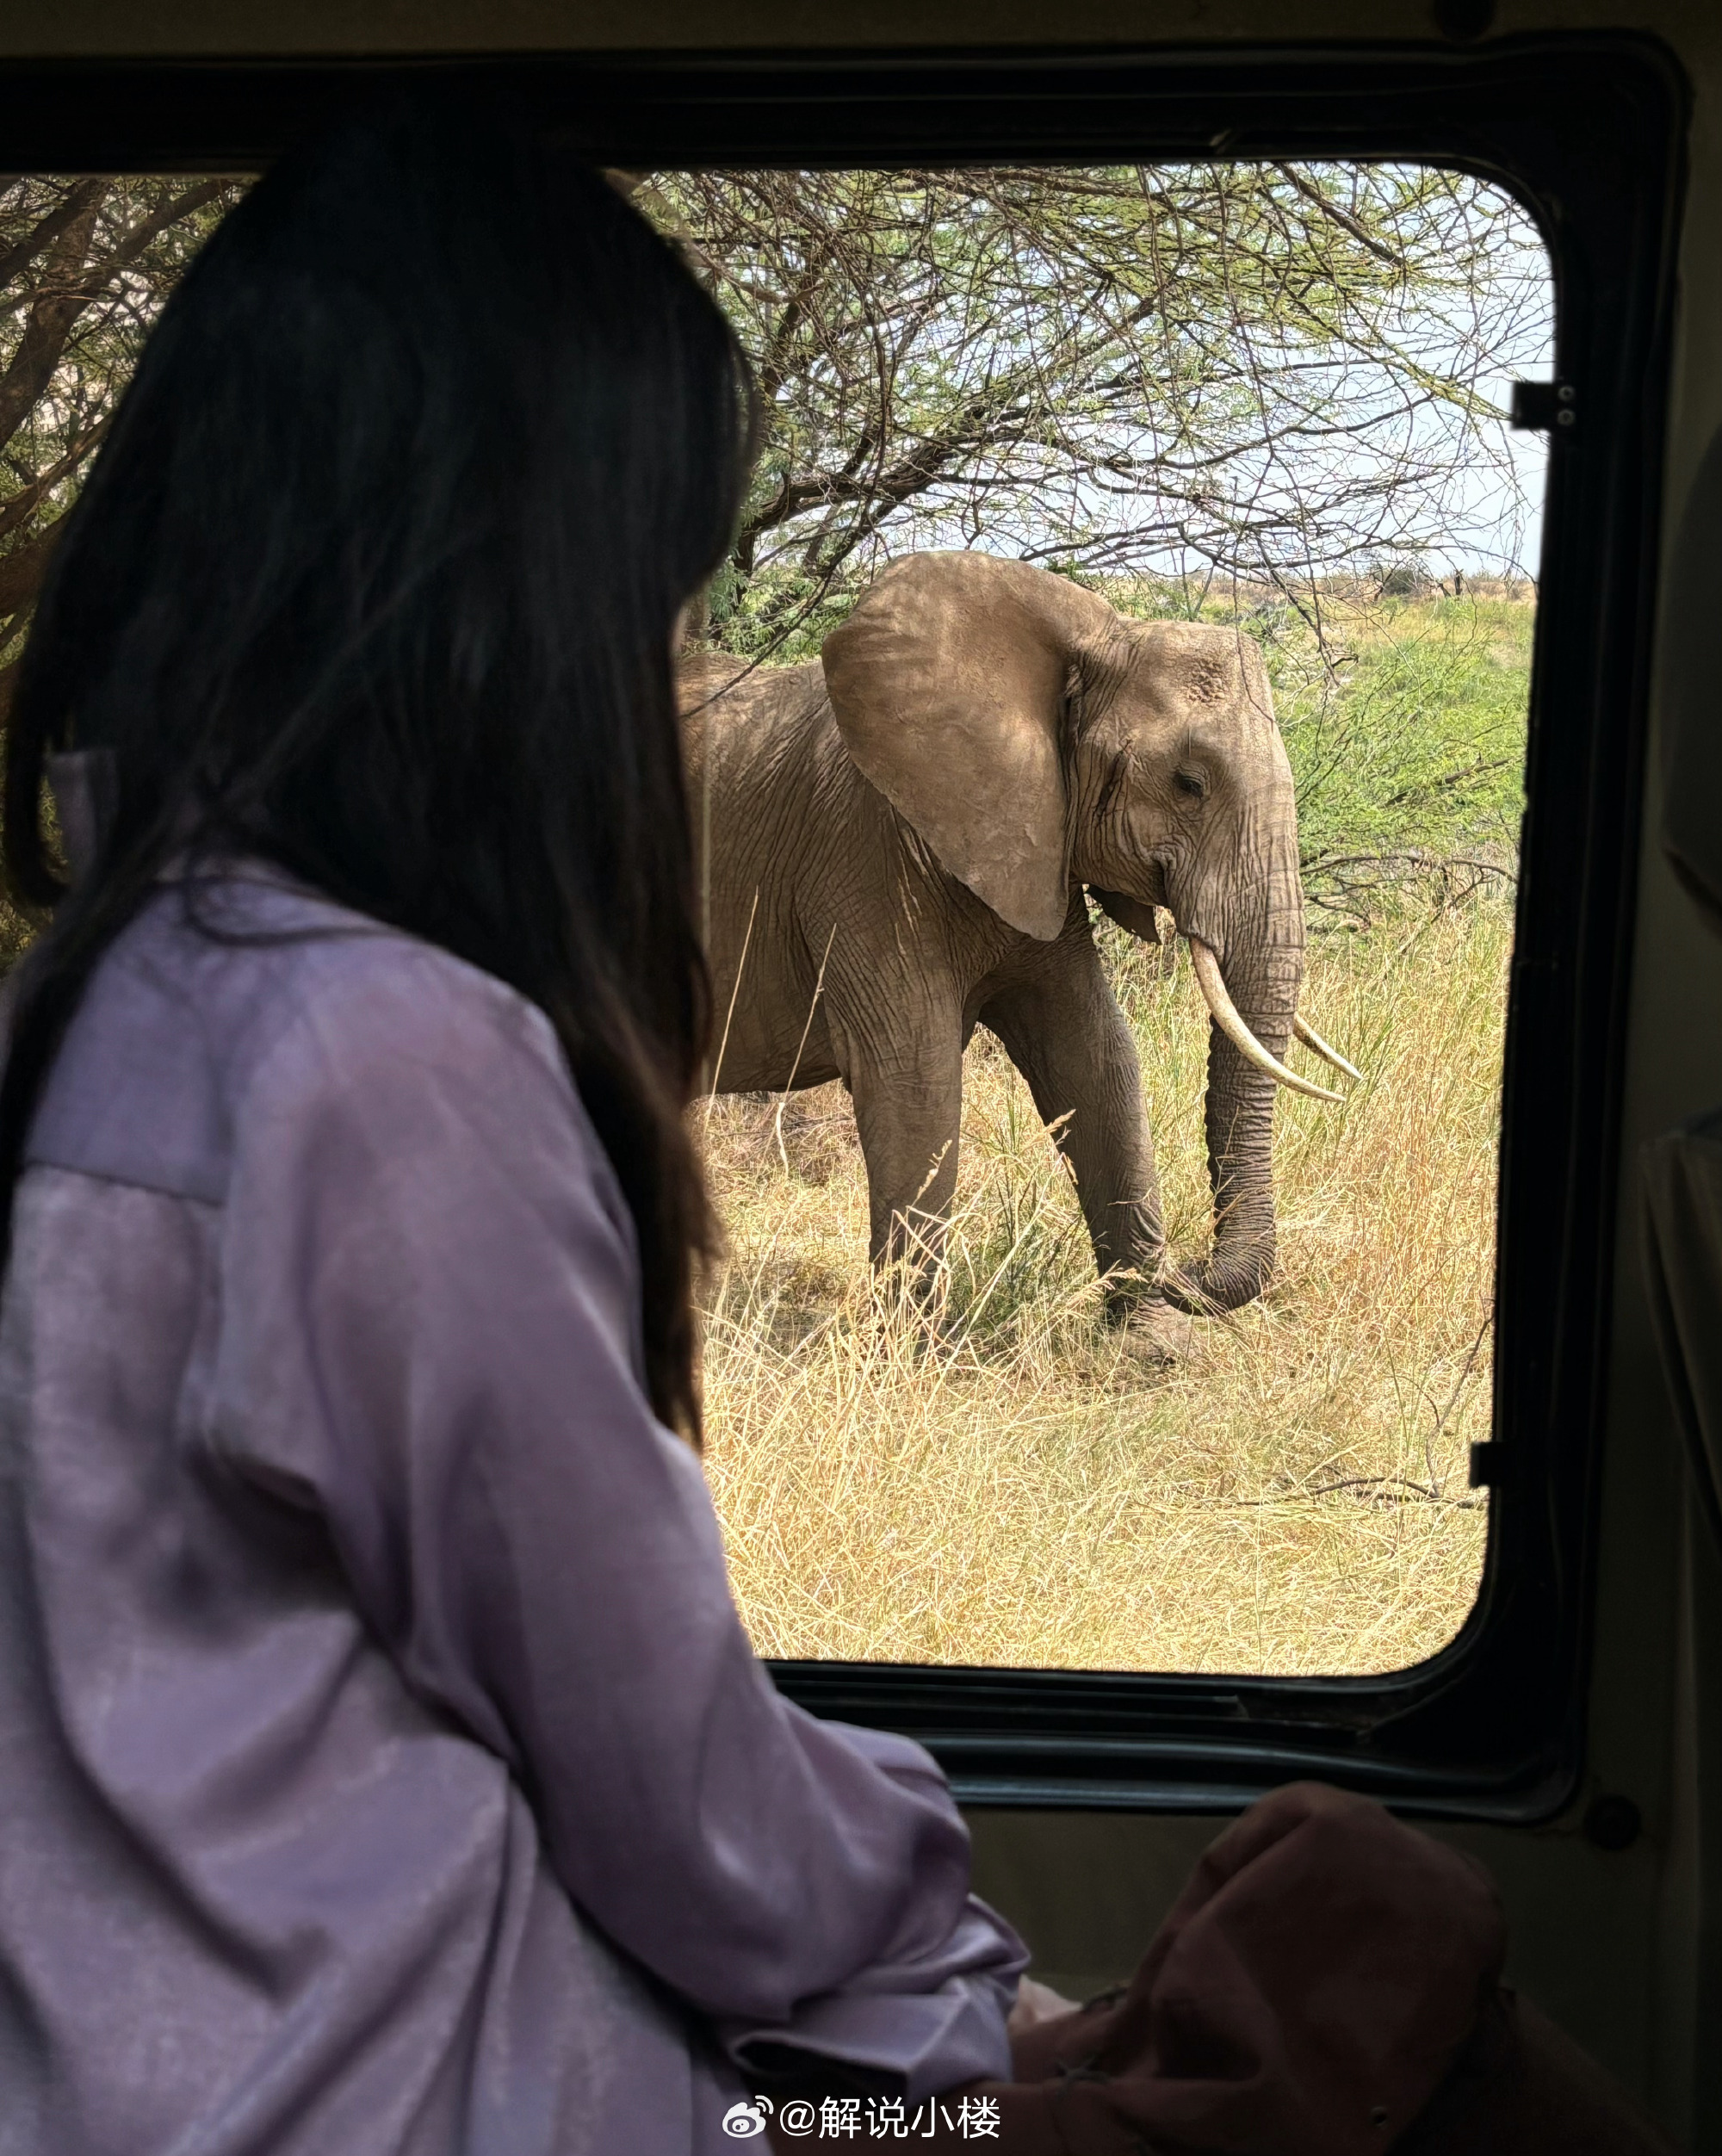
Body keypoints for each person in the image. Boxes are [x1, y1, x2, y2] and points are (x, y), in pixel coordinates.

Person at [0, 91, 1680, 2156]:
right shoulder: (381, 1073)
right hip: (487, 2097)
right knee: (1371, 1940)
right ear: (496, 626)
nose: (658, 675)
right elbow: (683, 1805)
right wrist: (980, 2006)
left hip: (345, 2048)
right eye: (642, 606)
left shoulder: (94, 1015)